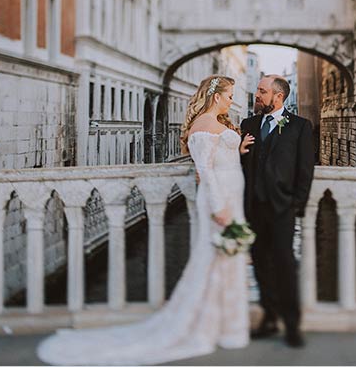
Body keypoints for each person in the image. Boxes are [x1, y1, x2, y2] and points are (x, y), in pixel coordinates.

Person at [37, 75, 250, 365]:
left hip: (231, 196)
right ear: (216, 97)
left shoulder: (218, 124)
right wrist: (219, 208)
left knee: (228, 259)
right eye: (229, 95)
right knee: (214, 258)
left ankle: (227, 325)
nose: (231, 100)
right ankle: (207, 325)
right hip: (220, 200)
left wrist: (235, 151)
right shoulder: (202, 127)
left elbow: (219, 161)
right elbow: (205, 172)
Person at [239, 74, 315, 348]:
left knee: (285, 266)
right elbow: (241, 165)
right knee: (260, 264)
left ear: (278, 96)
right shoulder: (247, 124)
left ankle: (292, 325)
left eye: (261, 91)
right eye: (258, 91)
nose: (256, 95)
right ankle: (270, 317)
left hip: (283, 210)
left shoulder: (300, 127)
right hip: (253, 208)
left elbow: (305, 171)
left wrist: (296, 205)